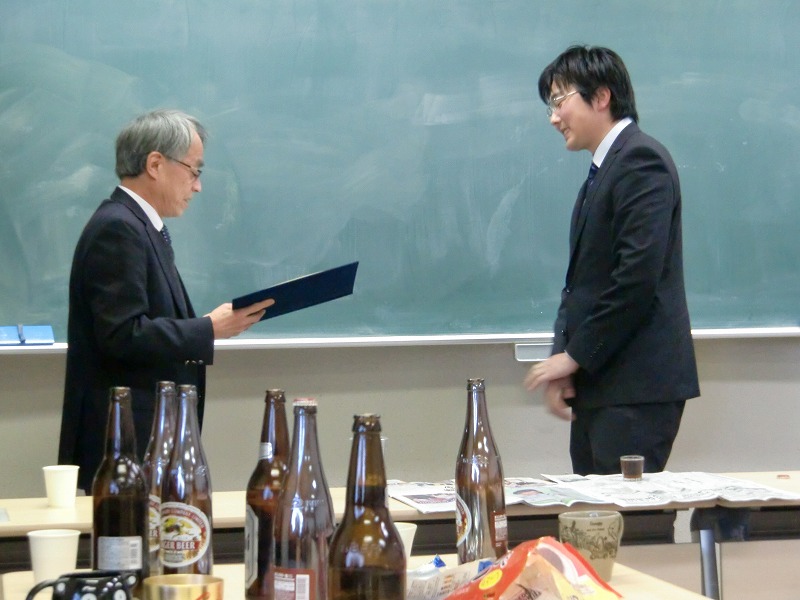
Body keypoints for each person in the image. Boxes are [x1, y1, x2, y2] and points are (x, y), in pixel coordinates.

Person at [58, 109, 274, 492]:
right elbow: (123, 334)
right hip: (127, 443)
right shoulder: (119, 228)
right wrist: (208, 329)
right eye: (194, 171)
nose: (198, 186)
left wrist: (207, 327)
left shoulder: (139, 226)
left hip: (143, 438)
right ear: (155, 164)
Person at [524, 46, 700, 476]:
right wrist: (565, 358)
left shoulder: (640, 161)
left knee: (625, 517)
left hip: (633, 390)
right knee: (592, 514)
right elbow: (580, 285)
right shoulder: (602, 172)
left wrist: (574, 356)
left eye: (560, 101)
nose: (553, 118)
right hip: (602, 385)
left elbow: (635, 279)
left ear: (601, 96)